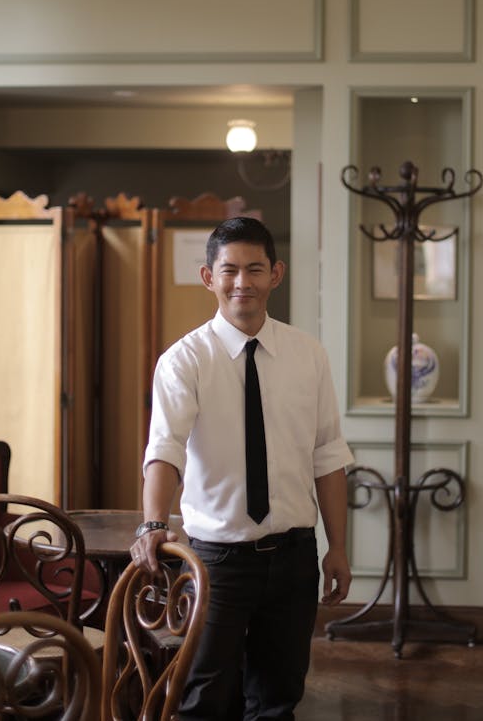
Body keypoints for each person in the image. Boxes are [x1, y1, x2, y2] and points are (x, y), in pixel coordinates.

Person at [131, 216, 353, 720]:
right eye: (229, 270)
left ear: (276, 273)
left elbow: (329, 455)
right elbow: (165, 450)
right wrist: (153, 523)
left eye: (255, 269)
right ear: (208, 277)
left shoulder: (308, 355)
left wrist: (337, 546)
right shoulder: (184, 360)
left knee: (278, 699)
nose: (242, 282)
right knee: (204, 698)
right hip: (217, 562)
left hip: (295, 555)